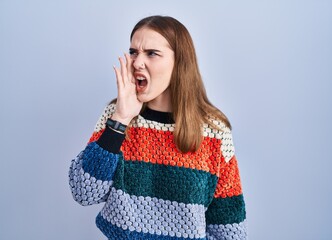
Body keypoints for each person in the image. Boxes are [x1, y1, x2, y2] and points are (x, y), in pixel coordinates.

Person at [69, 15, 247, 240]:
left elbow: (230, 230)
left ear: (180, 62)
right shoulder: (116, 117)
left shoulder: (214, 132)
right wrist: (120, 120)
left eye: (151, 53)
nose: (136, 62)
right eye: (133, 52)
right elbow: (84, 192)